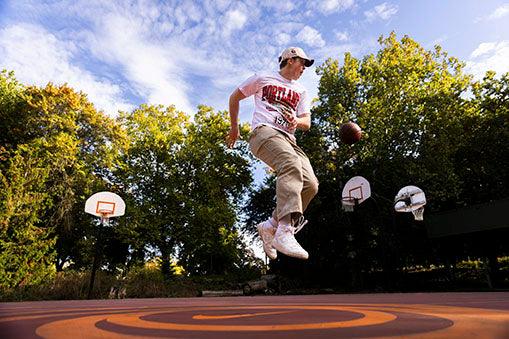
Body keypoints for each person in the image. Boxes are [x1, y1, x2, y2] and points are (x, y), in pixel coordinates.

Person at [227, 47, 319, 260]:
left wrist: (296, 121)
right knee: (290, 164)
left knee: (310, 185)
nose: (304, 68)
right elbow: (234, 97)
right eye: (302, 63)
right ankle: (285, 231)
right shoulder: (263, 78)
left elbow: (307, 122)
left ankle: (270, 226)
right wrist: (234, 129)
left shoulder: (301, 90)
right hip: (264, 133)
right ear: (290, 60)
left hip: (288, 140)